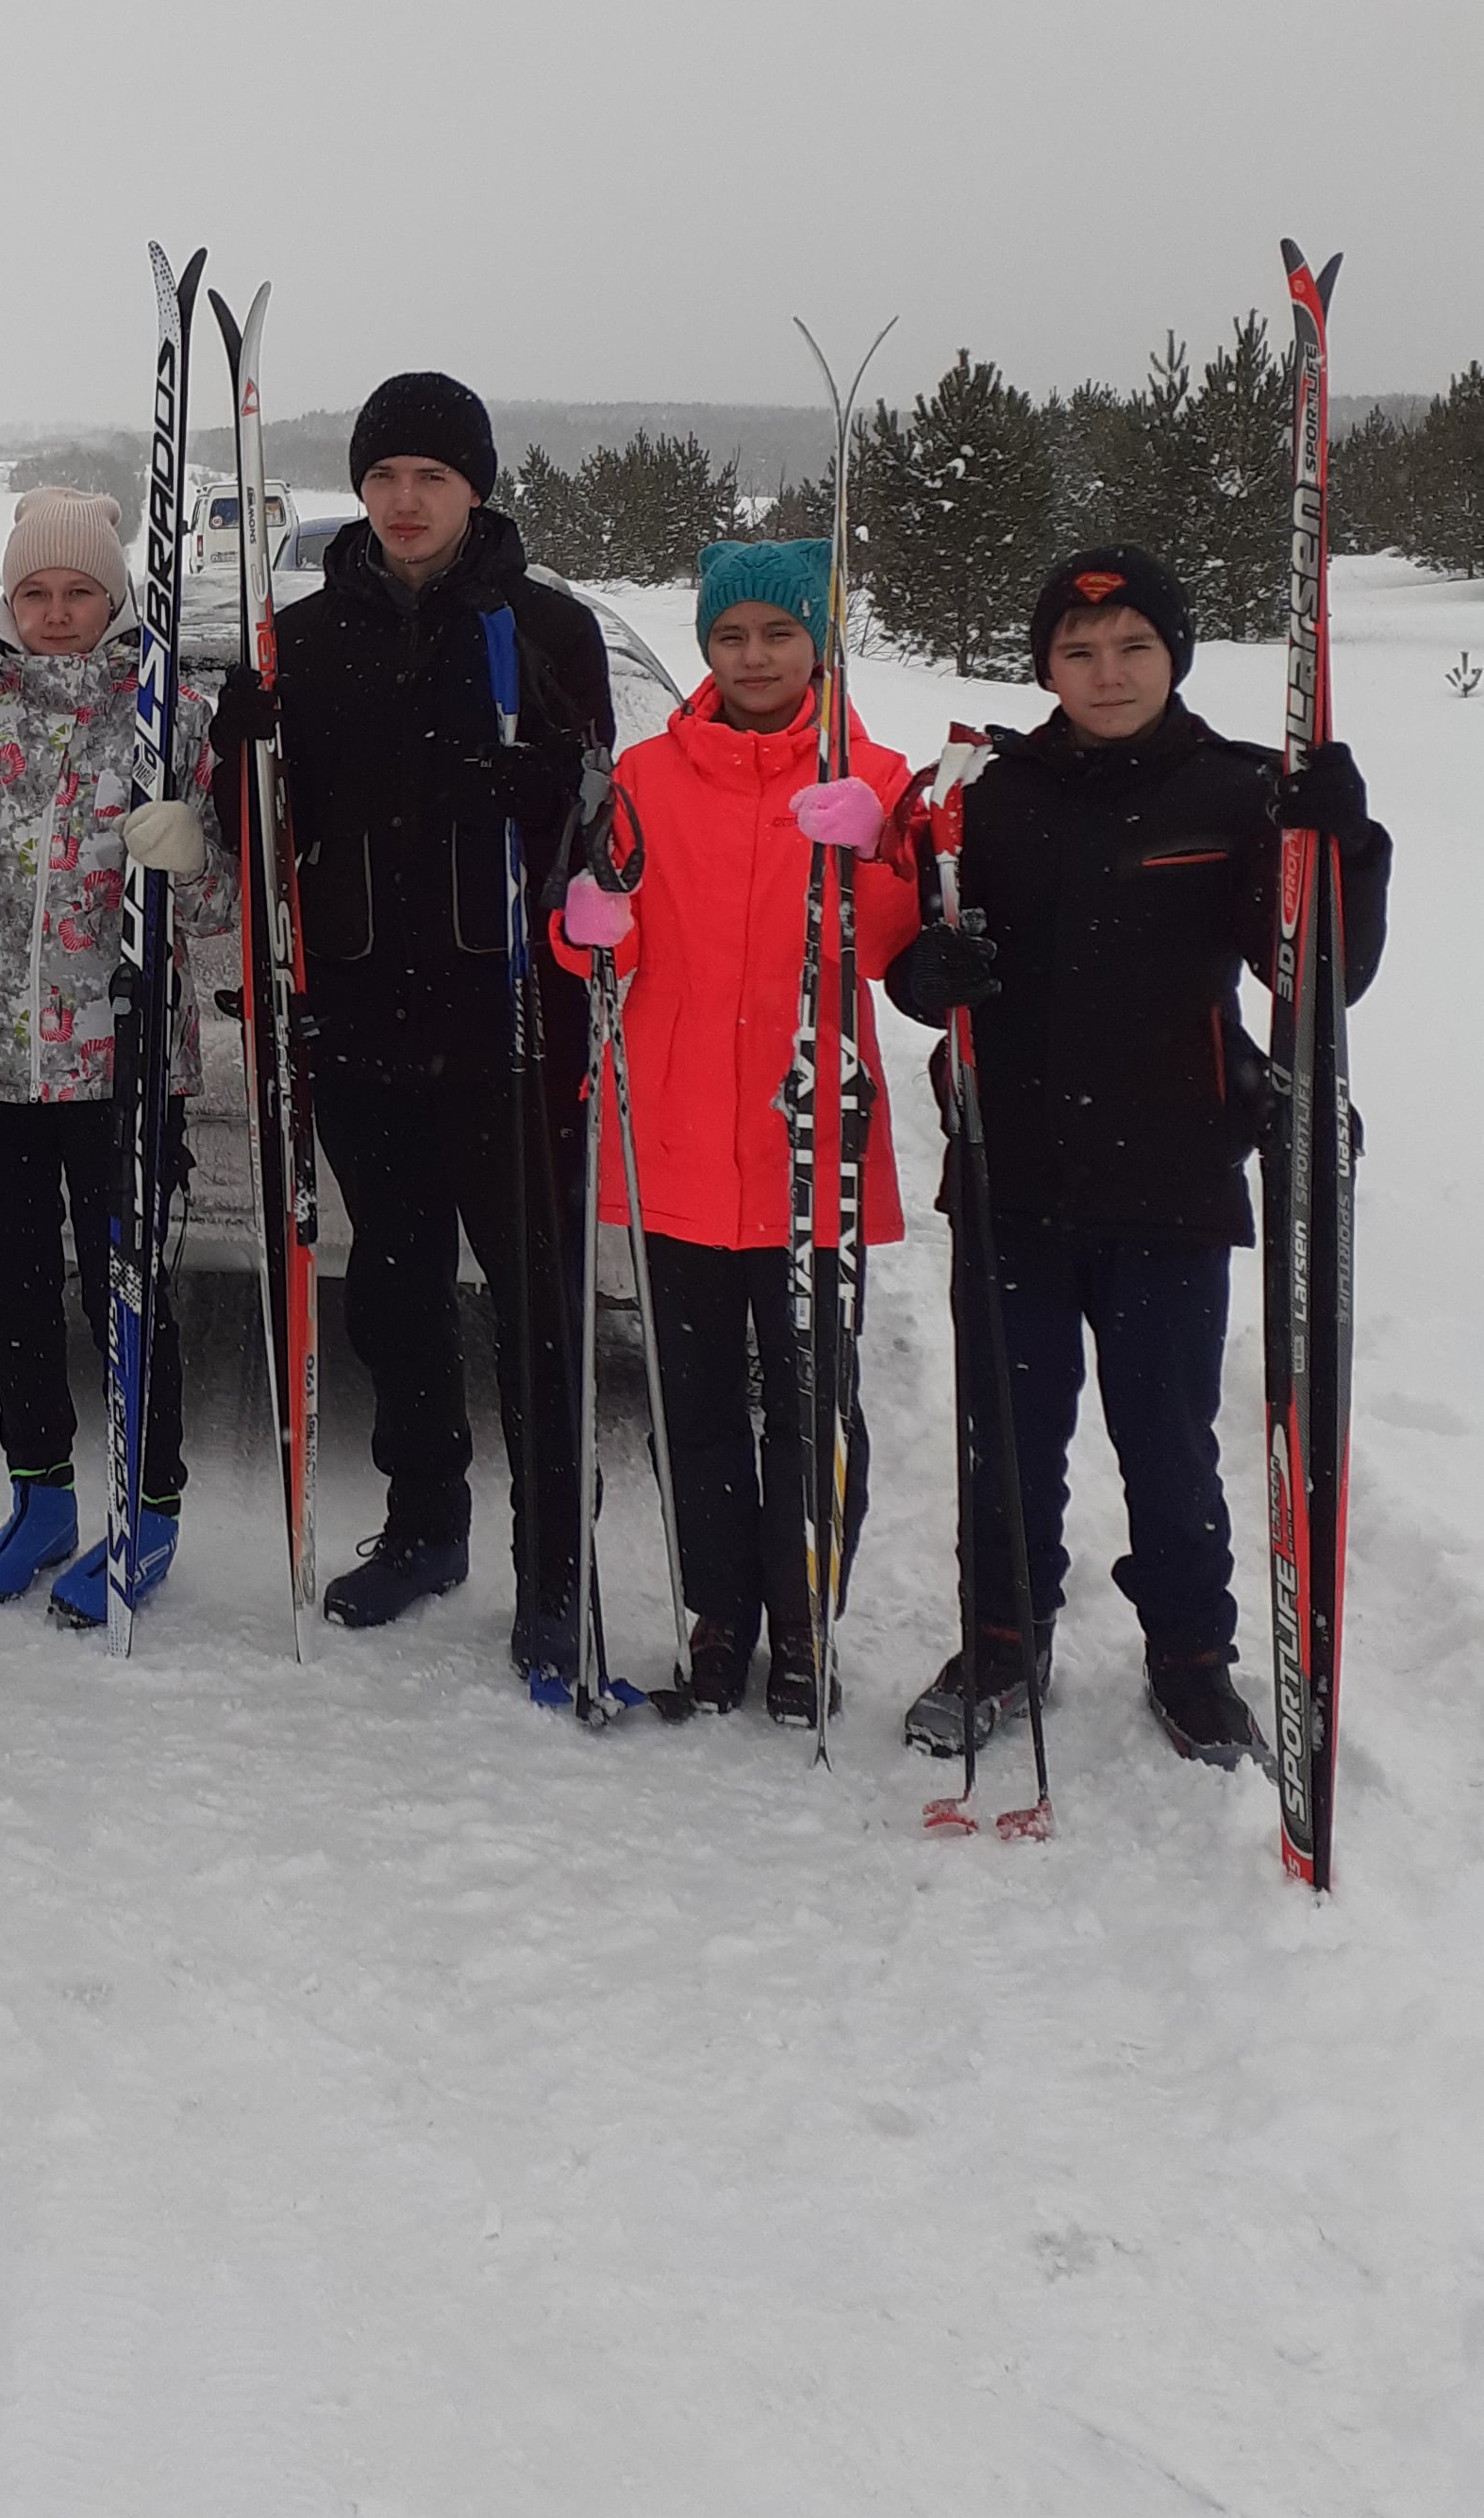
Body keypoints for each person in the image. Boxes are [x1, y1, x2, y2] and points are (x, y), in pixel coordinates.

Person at [887, 544, 1391, 1768]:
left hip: (1171, 1175)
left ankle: (1192, 1662)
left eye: (1133, 650)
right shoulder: (986, 794)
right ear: (1044, 664)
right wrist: (925, 973)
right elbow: (913, 956)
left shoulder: (1238, 793)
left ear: (1174, 657)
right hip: (1013, 1173)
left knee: (1167, 1438)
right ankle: (1004, 1638)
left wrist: (1347, 846)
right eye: (1077, 651)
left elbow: (1317, 975)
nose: (1106, 673)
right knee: (1005, 1430)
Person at [215, 373, 612, 1659]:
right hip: (367, 1018)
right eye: (384, 476)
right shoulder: (306, 638)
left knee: (534, 1298)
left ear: (475, 489)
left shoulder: (545, 628)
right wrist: (242, 755)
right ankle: (425, 1523)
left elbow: (599, 837)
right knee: (394, 1292)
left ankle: (554, 1562)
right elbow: (262, 840)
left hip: (511, 1025)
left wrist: (548, 779)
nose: (402, 500)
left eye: (429, 478)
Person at [553, 541, 919, 1720]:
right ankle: (719, 1614)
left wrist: (880, 856)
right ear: (705, 648)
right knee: (693, 1403)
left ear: (820, 642)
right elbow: (602, 943)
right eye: (730, 636)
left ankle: (806, 1618)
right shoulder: (648, 777)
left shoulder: (874, 774)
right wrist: (588, 922)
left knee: (816, 1407)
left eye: (778, 634)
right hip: (672, 1143)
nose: (754, 657)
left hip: (810, 1145)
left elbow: (902, 955)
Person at [0, 490, 231, 1624]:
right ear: (8, 599)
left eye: (81, 591)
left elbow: (223, 904)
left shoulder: (171, 716)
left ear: (117, 595)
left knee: (129, 1288)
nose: (59, 611)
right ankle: (42, 1499)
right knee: (18, 1292)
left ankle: (150, 1504)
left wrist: (195, 853)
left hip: (121, 1059)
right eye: (37, 592)